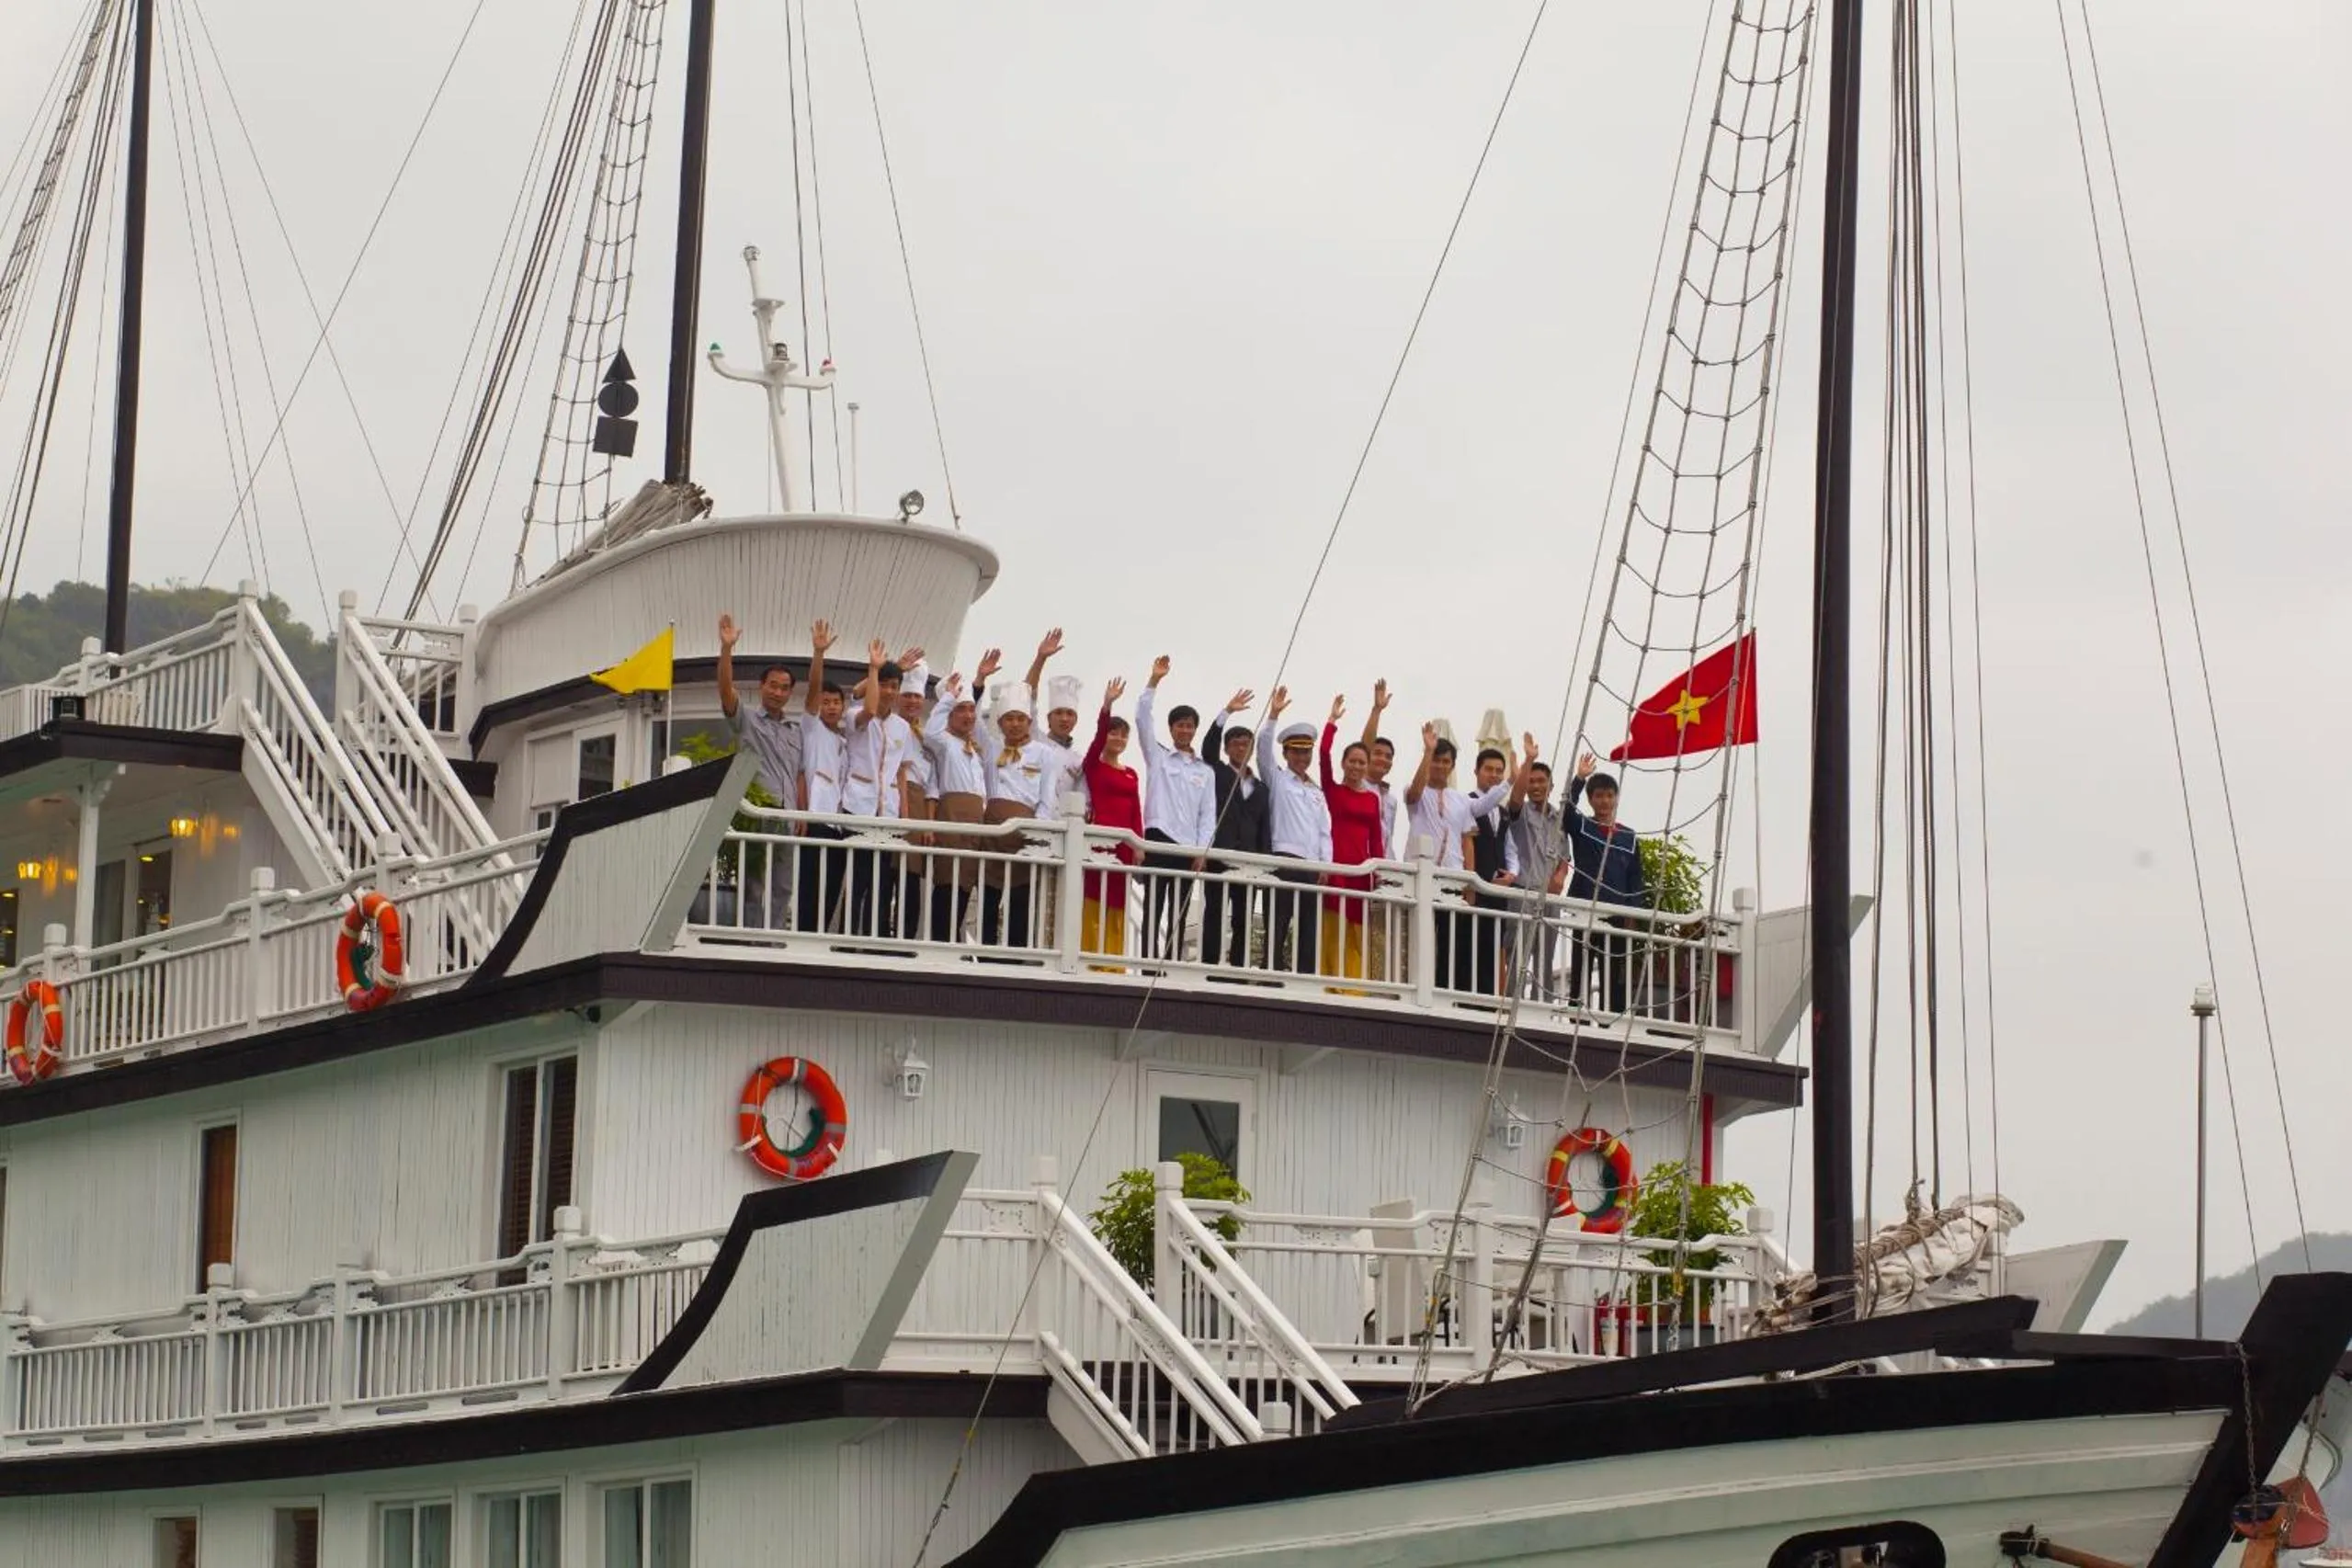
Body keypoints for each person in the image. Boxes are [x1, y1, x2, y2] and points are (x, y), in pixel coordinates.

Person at [1403, 722, 1514, 991]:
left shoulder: (1460, 800)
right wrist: (1427, 751)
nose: (1441, 766)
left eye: (1446, 761)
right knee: (1421, 934)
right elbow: (1415, 793)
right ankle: (1420, 987)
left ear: (1453, 765)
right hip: (1421, 874)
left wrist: (1469, 881)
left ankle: (1443, 989)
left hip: (1452, 877)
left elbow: (1470, 836)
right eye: (1436, 760)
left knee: (1451, 937)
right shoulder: (1416, 790)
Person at [715, 612, 801, 926]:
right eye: (773, 686)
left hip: (789, 816)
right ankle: (752, 937)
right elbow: (726, 693)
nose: (778, 692)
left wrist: (801, 812)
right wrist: (726, 650)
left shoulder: (796, 730)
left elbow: (799, 774)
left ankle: (774, 937)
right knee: (754, 884)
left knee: (783, 885)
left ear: (790, 692)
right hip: (757, 814)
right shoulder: (748, 720)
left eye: (784, 688)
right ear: (761, 686)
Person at [1135, 655, 1215, 962]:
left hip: (1186, 845)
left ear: (1195, 730)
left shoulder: (1204, 771)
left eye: (1190, 726)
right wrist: (1154, 681)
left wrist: (1201, 850)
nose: (1185, 730)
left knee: (1180, 910)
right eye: (1180, 725)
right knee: (1154, 906)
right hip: (1158, 836)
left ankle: (1170, 964)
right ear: (1171, 729)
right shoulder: (1158, 757)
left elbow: (1207, 815)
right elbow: (1143, 718)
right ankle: (1146, 964)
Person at [841, 638, 923, 937]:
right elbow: (871, 708)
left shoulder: (902, 727)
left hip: (887, 810)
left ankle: (873, 937)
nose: (890, 691)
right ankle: (848, 938)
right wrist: (874, 670)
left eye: (894, 686)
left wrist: (903, 814)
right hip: (859, 804)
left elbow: (901, 771)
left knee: (881, 880)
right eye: (885, 684)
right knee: (859, 877)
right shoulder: (856, 716)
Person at [920, 653, 1000, 944]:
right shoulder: (943, 743)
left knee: (965, 884)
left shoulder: (974, 748)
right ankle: (939, 941)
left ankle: (953, 940)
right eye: (960, 710)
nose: (968, 716)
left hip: (975, 821)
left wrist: (979, 682)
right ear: (949, 714)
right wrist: (946, 699)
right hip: (953, 816)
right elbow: (930, 731)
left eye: (971, 710)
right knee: (948, 883)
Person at [1562, 752, 1650, 1014]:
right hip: (1586, 909)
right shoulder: (1582, 826)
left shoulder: (1628, 836)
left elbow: (1636, 877)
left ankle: (1610, 1019)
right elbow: (1566, 811)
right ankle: (1578, 1017)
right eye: (1599, 795)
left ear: (1616, 798)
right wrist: (1579, 779)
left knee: (1614, 972)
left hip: (1617, 914)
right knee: (1581, 967)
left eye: (1609, 795)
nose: (1604, 801)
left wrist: (1633, 910)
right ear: (1590, 799)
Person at [1257, 687, 1332, 976]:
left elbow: (1324, 830)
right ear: (1286, 753)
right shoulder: (1277, 778)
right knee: (1278, 919)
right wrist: (1273, 716)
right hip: (1284, 859)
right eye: (1297, 751)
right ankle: (1271, 972)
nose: (1302, 757)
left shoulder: (1316, 789)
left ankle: (1304, 975)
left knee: (1309, 924)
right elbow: (1263, 750)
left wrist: (1325, 863)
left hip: (1311, 863)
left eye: (1306, 751)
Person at [980, 678, 1056, 947]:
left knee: (1020, 898)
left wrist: (1037, 834)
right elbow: (975, 723)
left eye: (1020, 718)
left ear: (1029, 722)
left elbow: (1046, 799)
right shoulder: (990, 748)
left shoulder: (1044, 753)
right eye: (1009, 718)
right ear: (1000, 723)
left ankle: (1015, 953)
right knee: (989, 895)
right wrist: (979, 682)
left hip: (1024, 832)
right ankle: (985, 952)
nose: (1014, 724)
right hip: (992, 831)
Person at [1317, 696, 1384, 986]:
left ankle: (1354, 989)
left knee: (1358, 936)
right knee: (1333, 930)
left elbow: (1377, 840)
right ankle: (1331, 986)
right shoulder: (1332, 790)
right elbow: (1322, 753)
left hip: (1361, 872)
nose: (1357, 766)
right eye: (1352, 761)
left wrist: (1379, 872)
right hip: (1336, 868)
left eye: (1362, 762)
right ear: (1344, 763)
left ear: (1367, 766)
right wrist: (1331, 722)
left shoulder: (1372, 798)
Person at [1201, 690, 1267, 968]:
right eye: (1236, 744)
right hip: (1221, 855)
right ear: (1227, 748)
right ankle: (1209, 964)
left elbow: (1265, 826)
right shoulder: (1217, 771)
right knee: (1215, 911)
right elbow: (1208, 747)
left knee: (1243, 916)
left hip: (1249, 860)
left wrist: (1265, 861)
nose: (1242, 749)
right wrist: (1226, 712)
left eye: (1246, 744)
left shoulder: (1261, 787)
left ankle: (1238, 967)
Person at [1080, 677, 1142, 964]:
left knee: (1118, 905)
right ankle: (1091, 958)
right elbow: (1097, 737)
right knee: (1095, 900)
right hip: (1098, 843)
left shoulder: (1131, 773)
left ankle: (1113, 964)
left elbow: (1135, 810)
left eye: (1122, 735)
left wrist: (1138, 844)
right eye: (1113, 733)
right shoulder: (1094, 764)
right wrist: (1107, 705)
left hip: (1124, 846)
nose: (1117, 739)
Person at [1502, 735, 1569, 1000]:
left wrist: (1561, 877)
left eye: (1542, 781)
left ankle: (1542, 1010)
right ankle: (1509, 1008)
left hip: (1549, 897)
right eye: (1532, 781)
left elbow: (1565, 856)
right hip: (1522, 892)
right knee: (1517, 955)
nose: (1537, 785)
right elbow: (1516, 798)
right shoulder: (1519, 812)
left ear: (1551, 786)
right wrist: (1528, 760)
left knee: (1545, 958)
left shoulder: (1560, 819)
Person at [796, 620, 852, 932]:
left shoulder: (844, 741)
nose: (830, 707)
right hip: (816, 819)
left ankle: (818, 940)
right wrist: (818, 654)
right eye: (826, 702)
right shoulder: (812, 728)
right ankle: (805, 939)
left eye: (836, 703)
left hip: (839, 824)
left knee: (832, 890)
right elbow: (813, 690)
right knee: (810, 889)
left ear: (843, 707)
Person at [1464, 744, 1518, 995]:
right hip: (1475, 889)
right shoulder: (1467, 803)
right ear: (1476, 771)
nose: (1494, 775)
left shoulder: (1504, 812)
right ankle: (1471, 997)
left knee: (1495, 944)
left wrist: (1512, 874)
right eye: (1489, 770)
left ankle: (1488, 997)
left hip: (1498, 891)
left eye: (1499, 771)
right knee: (1471, 943)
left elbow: (1510, 848)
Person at [1023, 628, 1088, 819]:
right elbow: (1027, 697)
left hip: (1062, 832)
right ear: (1048, 718)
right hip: (1032, 822)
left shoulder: (1078, 760)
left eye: (1070, 714)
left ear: (1076, 720)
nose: (1064, 719)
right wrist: (1040, 659)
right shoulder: (1036, 739)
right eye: (1058, 713)